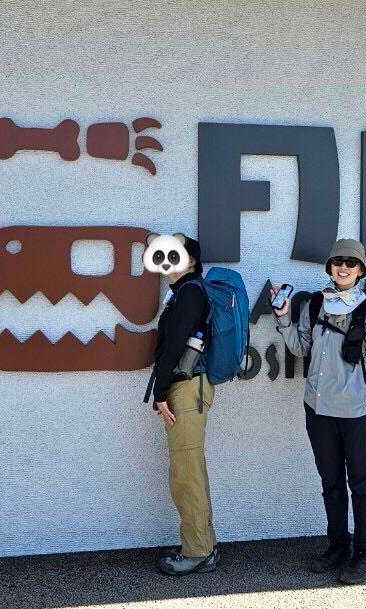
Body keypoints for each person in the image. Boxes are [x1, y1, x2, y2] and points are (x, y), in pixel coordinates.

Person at [271, 238, 366, 585]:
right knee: (331, 483)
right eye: (338, 262)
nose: (343, 267)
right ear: (330, 267)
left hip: (357, 411)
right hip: (318, 409)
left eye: (351, 263)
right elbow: (300, 347)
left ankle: (364, 553)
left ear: (360, 270)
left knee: (361, 483)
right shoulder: (315, 304)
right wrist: (283, 317)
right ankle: (337, 547)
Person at [142, 233, 220, 576]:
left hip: (186, 389)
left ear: (191, 261)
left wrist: (160, 391)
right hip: (190, 388)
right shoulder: (186, 293)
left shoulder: (190, 293)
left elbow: (174, 346)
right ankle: (203, 545)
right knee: (191, 468)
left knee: (186, 473)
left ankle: (197, 551)